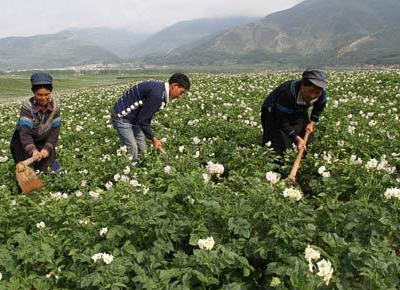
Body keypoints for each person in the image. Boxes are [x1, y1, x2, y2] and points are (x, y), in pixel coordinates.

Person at [111, 73, 190, 164]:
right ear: (174, 85)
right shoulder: (157, 94)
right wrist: (153, 139)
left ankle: (140, 169)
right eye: (182, 92)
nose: (180, 96)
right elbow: (143, 120)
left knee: (142, 148)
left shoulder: (161, 91)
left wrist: (152, 138)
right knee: (132, 148)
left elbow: (145, 117)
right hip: (122, 116)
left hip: (135, 118)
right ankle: (130, 172)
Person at [261, 69, 328, 155]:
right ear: (302, 86)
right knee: (277, 142)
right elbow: (282, 121)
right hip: (274, 111)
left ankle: (302, 158)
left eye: (317, 92)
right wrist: (297, 138)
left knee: (305, 136)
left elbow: (319, 107)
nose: (313, 96)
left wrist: (312, 123)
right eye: (310, 91)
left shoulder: (321, 94)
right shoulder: (287, 93)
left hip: (298, 109)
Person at [10, 72, 61, 172]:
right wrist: (33, 151)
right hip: (23, 141)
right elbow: (25, 133)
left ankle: (59, 178)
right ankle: (26, 187)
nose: (43, 98)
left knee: (53, 168)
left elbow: (55, 132)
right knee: (26, 171)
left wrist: (47, 148)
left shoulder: (55, 107)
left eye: (47, 94)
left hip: (43, 139)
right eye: (39, 95)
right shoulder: (28, 107)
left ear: (51, 92)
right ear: (34, 92)